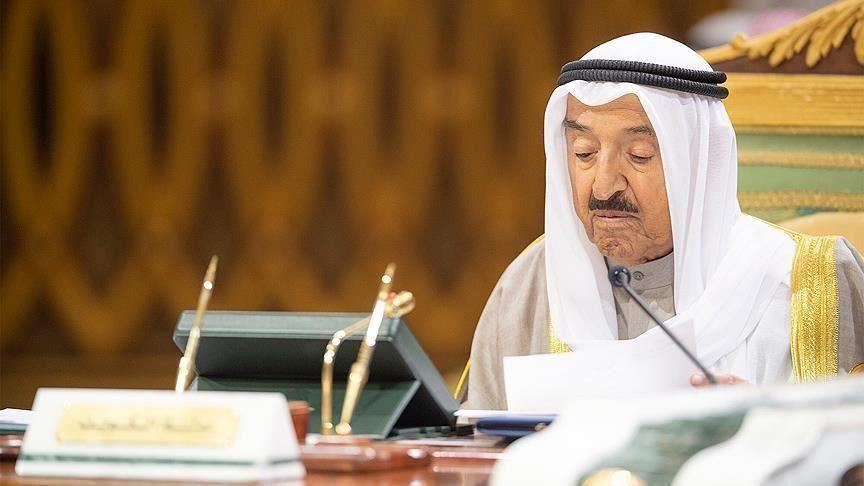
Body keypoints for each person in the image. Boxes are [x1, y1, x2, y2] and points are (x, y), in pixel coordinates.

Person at [460, 33, 864, 410]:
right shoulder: (532, 281)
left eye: (639, 155)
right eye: (584, 153)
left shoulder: (815, 281)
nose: (603, 186)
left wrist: (766, 423)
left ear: (697, 166)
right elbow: (471, 446)